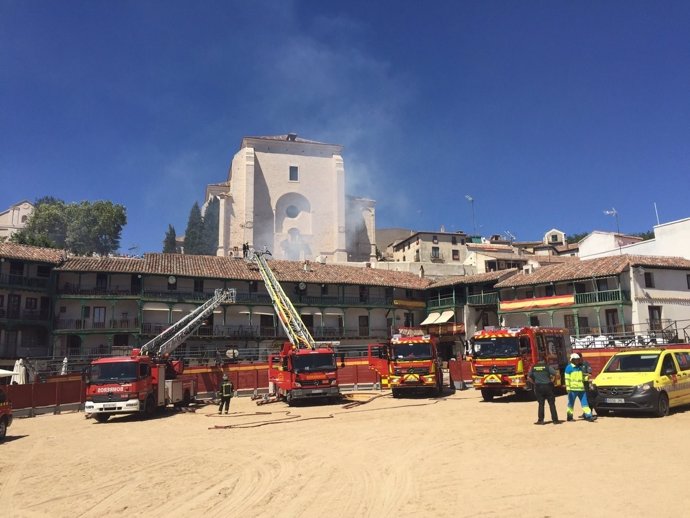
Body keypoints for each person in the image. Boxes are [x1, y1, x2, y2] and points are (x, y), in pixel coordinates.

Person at [528, 356, 561, 425]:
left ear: (538, 361)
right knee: (551, 404)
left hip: (538, 387)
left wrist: (534, 383)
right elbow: (557, 374)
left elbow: (528, 377)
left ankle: (541, 420)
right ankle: (555, 420)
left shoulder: (533, 367)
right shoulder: (547, 367)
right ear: (544, 360)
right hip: (548, 386)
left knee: (541, 404)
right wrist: (553, 381)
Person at [565, 353, 597, 422]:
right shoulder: (569, 368)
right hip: (572, 390)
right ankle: (569, 417)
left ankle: (589, 416)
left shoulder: (579, 368)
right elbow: (567, 379)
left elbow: (581, 378)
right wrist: (568, 388)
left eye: (578, 360)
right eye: (575, 360)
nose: (577, 361)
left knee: (585, 403)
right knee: (571, 404)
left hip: (581, 389)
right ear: (572, 360)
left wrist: (586, 378)